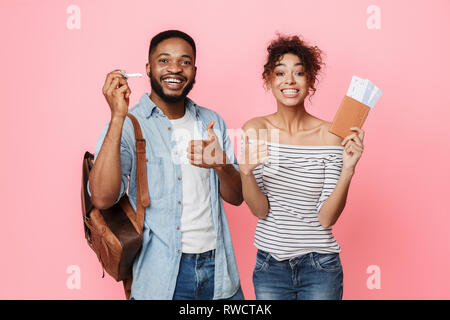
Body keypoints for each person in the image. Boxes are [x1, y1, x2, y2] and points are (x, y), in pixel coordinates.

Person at [88, 30, 244, 300]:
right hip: (161, 278)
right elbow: (101, 197)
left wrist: (221, 165)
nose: (175, 69)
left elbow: (237, 197)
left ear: (194, 70)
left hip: (220, 274)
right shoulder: (127, 124)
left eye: (184, 62)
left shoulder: (211, 121)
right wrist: (116, 117)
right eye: (164, 61)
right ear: (148, 68)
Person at [239, 34, 365, 300]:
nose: (289, 81)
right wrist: (246, 172)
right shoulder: (256, 129)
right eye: (280, 72)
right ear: (269, 80)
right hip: (269, 265)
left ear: (310, 81)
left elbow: (326, 219)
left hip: (320, 266)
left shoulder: (330, 135)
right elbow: (260, 210)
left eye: (299, 73)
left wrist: (348, 170)